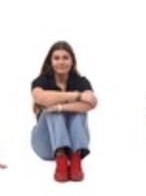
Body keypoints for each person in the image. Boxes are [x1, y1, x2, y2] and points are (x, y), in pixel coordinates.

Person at [29, 41, 96, 182]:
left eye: (65, 58)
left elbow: (91, 102)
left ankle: (76, 159)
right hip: (46, 144)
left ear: (72, 61)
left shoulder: (80, 81)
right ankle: (60, 158)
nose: (61, 62)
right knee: (51, 110)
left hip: (75, 143)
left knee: (77, 111)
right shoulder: (41, 81)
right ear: (50, 62)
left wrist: (61, 106)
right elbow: (41, 97)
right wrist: (76, 96)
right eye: (56, 58)